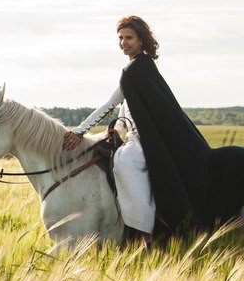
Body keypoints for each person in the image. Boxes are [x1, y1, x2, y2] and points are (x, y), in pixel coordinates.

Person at [62, 15, 212, 244]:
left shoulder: (137, 70)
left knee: (124, 161)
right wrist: (117, 128)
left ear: (141, 39)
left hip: (146, 140)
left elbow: (109, 105)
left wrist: (79, 131)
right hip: (136, 134)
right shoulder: (138, 67)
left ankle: (145, 233)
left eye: (129, 38)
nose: (123, 42)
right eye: (120, 38)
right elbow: (125, 110)